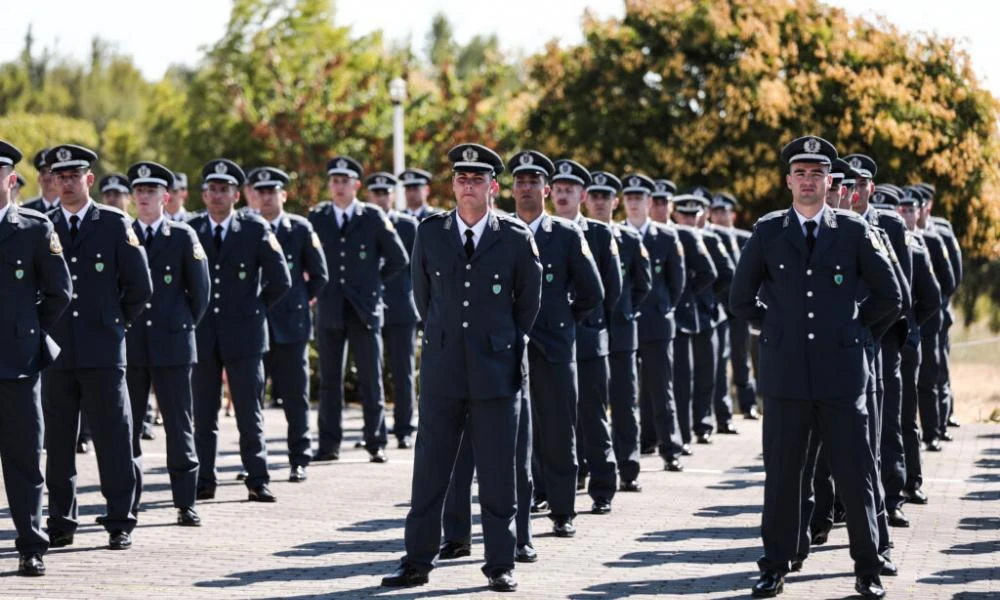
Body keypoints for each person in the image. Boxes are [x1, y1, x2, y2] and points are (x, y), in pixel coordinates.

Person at [731, 135, 901, 600]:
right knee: (783, 476)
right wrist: (777, 331)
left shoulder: (852, 230)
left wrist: (859, 333)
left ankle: (868, 567)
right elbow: (740, 299)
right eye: (800, 173)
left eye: (817, 174)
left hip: (842, 376)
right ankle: (774, 565)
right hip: (786, 376)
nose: (808, 181)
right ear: (788, 181)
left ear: (830, 182)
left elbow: (891, 296)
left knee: (855, 473)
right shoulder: (768, 231)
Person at [381, 143, 541, 592]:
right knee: (430, 471)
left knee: (497, 475)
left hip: (496, 372)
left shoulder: (513, 236)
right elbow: (423, 297)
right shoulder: (430, 233)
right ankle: (416, 562)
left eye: (477, 179)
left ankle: (499, 564)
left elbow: (527, 304)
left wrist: (501, 343)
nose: (468, 186)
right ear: (452, 185)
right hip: (444, 370)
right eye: (461, 179)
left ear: (493, 186)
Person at [42, 143, 153, 551]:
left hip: (104, 351)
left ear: (89, 179)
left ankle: (120, 518)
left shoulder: (114, 223)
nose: (68, 183)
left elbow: (140, 287)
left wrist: (116, 324)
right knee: (57, 441)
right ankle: (61, 520)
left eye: (75, 176)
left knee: (113, 437)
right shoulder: (44, 225)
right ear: (52, 181)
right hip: (57, 352)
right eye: (61, 176)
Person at [510, 150, 603, 537]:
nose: (527, 187)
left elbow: (592, 291)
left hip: (555, 346)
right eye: (520, 181)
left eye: (534, 181)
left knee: (559, 430)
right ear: (510, 189)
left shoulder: (566, 235)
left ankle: (563, 510)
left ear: (546, 190)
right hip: (510, 348)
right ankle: (523, 499)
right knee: (514, 433)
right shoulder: (500, 230)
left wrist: (563, 321)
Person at [188, 158, 291, 502]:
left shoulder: (254, 229)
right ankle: (204, 479)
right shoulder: (192, 230)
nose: (217, 195)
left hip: (245, 335)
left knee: (249, 412)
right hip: (203, 334)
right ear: (203, 195)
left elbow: (281, 280)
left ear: (237, 195)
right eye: (212, 189)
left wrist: (257, 309)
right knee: (203, 414)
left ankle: (257, 478)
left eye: (224, 190)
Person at [0, 140, 72, 576]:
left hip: (19, 363)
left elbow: (59, 292)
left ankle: (30, 544)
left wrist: (27, 329)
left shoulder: (32, 227)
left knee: (25, 461)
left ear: (10, 180)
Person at [124, 161, 210, 525]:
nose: (144, 197)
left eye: (151, 191)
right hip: (130, 343)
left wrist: (182, 323)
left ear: (166, 197)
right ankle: (127, 501)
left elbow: (200, 292)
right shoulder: (122, 234)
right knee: (126, 428)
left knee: (179, 424)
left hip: (173, 343)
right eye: (139, 191)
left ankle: (185, 501)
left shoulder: (182, 236)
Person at [309, 156, 408, 463]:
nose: (339, 187)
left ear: (356, 185)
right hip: (330, 307)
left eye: (344, 181)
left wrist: (373, 281)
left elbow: (398, 258)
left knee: (370, 377)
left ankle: (375, 441)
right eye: (334, 181)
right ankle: (328, 444)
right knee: (329, 380)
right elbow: (308, 259)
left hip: (364, 308)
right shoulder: (318, 217)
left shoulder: (372, 216)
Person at [551, 158, 622, 512]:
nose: (563, 195)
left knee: (593, 417)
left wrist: (588, 323)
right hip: (548, 341)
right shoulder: (539, 230)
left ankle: (603, 488)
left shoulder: (598, 233)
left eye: (570, 189)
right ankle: (548, 488)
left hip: (588, 338)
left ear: (583, 194)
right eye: (558, 189)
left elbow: (611, 289)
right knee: (550, 419)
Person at [254, 166, 329, 482]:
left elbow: (320, 275)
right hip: (255, 325)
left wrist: (300, 301)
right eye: (262, 192)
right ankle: (254, 461)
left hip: (291, 325)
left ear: (283, 195)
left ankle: (299, 458)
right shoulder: (248, 227)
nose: (268, 197)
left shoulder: (299, 229)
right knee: (252, 397)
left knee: (296, 396)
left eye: (273, 191)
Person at [584, 171, 651, 491]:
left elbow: (643, 284)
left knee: (625, 403)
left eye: (605, 196)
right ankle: (585, 465)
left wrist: (624, 311)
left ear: (615, 201)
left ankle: (629, 468)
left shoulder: (629, 239)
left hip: (622, 334)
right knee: (586, 405)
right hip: (588, 331)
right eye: (594, 196)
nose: (599, 202)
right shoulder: (578, 236)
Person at [624, 174, 687, 471]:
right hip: (624, 323)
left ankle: (670, 449)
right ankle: (631, 447)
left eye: (639, 198)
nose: (634, 203)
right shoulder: (616, 234)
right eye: (630, 198)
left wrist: (663, 308)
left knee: (662, 388)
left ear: (650, 202)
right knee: (624, 392)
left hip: (656, 322)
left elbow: (677, 283)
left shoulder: (666, 236)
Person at [363, 172, 419, 449]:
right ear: (369, 196)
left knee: (402, 372)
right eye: (376, 194)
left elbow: (418, 268)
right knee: (371, 372)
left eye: (385, 194)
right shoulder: (363, 223)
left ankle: (404, 428)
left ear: (392, 197)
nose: (381, 198)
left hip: (399, 307)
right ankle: (373, 431)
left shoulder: (408, 226)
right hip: (369, 307)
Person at [895, 188, 942, 508]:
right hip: (865, 344)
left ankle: (912, 481)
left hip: (905, 342)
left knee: (905, 417)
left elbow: (933, 297)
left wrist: (909, 325)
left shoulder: (916, 246)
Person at [708, 192, 758, 420]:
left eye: (723, 211)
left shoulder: (744, 238)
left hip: (739, 308)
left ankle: (748, 405)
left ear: (733, 214)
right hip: (716, 307)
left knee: (741, 357)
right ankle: (722, 411)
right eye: (715, 211)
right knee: (718, 361)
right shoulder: (705, 236)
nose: (719, 216)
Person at [21, 148, 60, 213]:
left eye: (51, 172)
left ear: (59, 177)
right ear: (38, 178)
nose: (47, 176)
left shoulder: (70, 207)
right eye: (43, 172)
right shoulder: (26, 210)